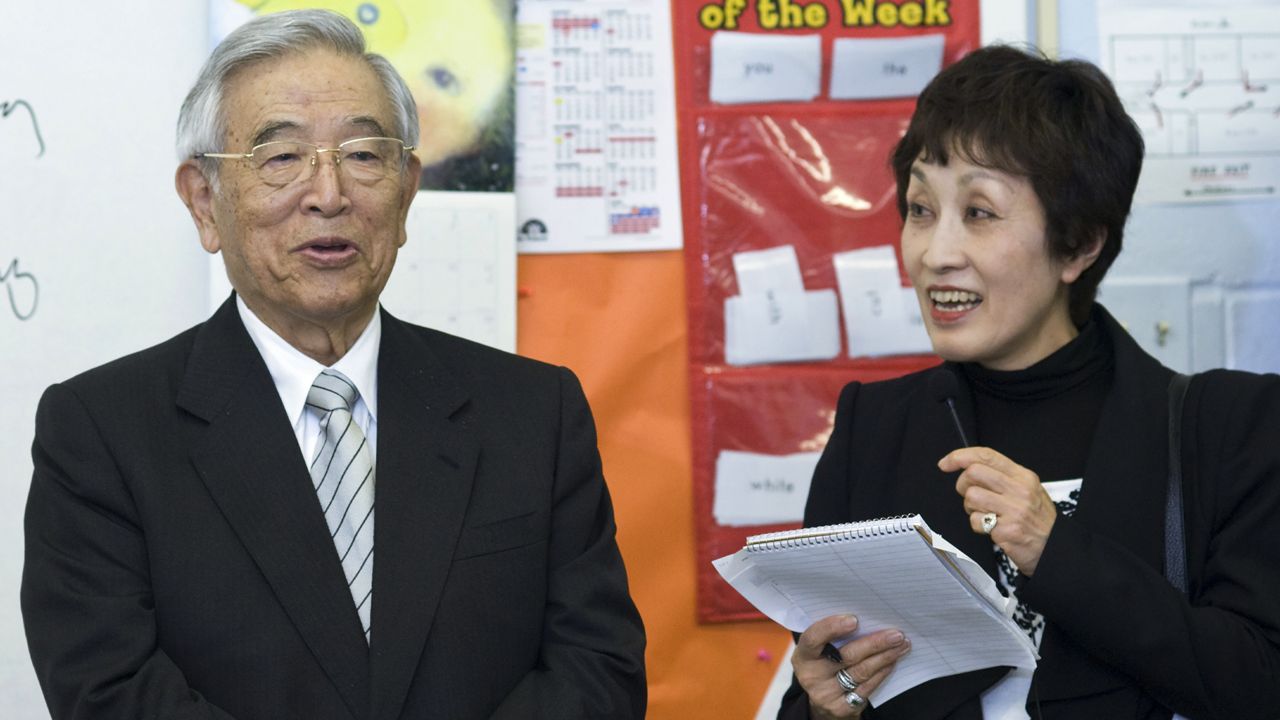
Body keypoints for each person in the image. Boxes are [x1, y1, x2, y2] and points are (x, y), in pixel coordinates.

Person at [21, 10, 645, 720]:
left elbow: (599, 674)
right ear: (204, 201)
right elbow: (109, 693)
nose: (328, 194)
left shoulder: (534, 412)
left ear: (407, 192)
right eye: (281, 157)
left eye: (363, 155)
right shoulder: (102, 431)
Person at [779, 45, 1280, 719]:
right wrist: (823, 704)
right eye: (921, 208)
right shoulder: (874, 426)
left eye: (979, 213)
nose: (935, 253)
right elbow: (818, 688)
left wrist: (1058, 551)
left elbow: (1258, 683)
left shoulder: (1227, 426)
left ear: (1079, 245)